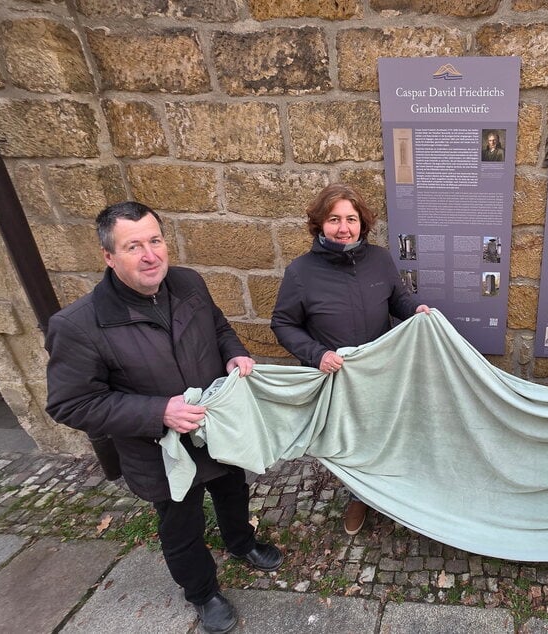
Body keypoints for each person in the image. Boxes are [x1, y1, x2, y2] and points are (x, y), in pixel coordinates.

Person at [45, 201, 283, 634]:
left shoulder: (188, 283)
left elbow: (218, 327)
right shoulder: (78, 325)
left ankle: (241, 542)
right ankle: (202, 593)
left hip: (217, 431)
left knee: (233, 492)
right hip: (159, 452)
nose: (150, 255)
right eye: (133, 246)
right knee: (182, 526)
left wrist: (234, 355)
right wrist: (159, 412)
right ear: (108, 256)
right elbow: (71, 404)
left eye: (155, 240)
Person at [270, 183, 430, 537]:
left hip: (382, 371)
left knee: (387, 434)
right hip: (338, 379)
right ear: (319, 224)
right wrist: (317, 354)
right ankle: (360, 496)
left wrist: (415, 310)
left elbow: (397, 300)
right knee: (352, 443)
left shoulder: (380, 259)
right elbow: (282, 323)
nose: (344, 228)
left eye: (351, 219)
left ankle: (393, 492)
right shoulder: (301, 272)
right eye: (334, 219)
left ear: (363, 223)